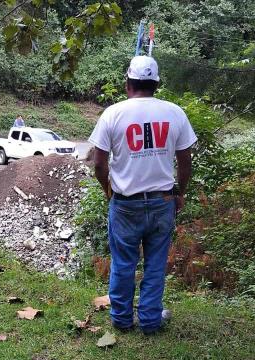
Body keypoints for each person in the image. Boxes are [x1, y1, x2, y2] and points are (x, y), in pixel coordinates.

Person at [88, 56, 197, 335]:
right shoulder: (174, 113)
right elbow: (185, 163)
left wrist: (108, 191)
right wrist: (180, 194)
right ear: (156, 84)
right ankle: (150, 320)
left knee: (123, 262)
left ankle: (122, 320)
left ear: (128, 83)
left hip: (125, 204)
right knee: (156, 263)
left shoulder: (112, 114)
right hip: (163, 201)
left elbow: (99, 163)